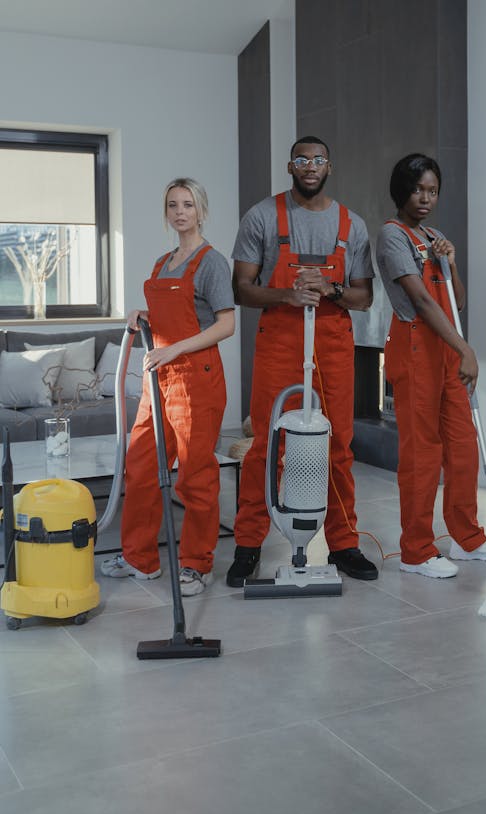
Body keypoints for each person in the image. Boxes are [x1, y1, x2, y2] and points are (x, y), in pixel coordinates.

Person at [226, 136, 378, 586]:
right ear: (289, 166)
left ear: (329, 166)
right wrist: (288, 294)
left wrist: (330, 289)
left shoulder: (353, 225)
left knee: (339, 446)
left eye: (318, 160)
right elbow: (242, 289)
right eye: (301, 160)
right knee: (265, 446)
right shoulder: (262, 217)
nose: (310, 166)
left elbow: (364, 296)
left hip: (332, 341)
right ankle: (248, 545)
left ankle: (345, 544)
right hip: (279, 338)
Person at [101, 178, 235, 596]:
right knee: (140, 467)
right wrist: (145, 314)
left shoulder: (212, 262)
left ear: (202, 211)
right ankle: (140, 557)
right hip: (159, 376)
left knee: (194, 476)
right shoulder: (163, 263)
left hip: (197, 380)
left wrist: (174, 348)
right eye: (173, 205)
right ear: (167, 212)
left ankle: (197, 564)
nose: (181, 212)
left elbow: (226, 324)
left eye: (189, 205)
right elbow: (170, 315)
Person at [375, 154, 486, 579]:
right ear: (401, 191)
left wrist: (451, 262)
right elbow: (422, 301)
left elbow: (456, 300)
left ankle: (468, 538)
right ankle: (416, 550)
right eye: (417, 190)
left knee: (463, 445)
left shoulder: (435, 236)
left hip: (446, 349)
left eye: (432, 191)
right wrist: (465, 348)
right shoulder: (392, 237)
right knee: (421, 452)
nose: (425, 198)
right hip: (415, 349)